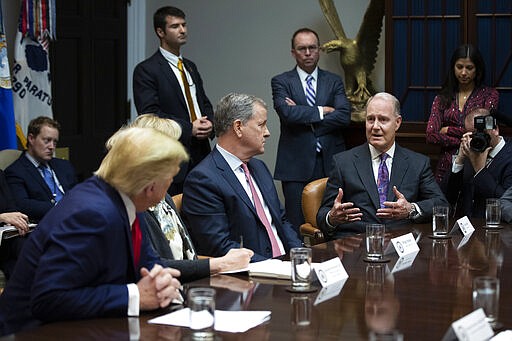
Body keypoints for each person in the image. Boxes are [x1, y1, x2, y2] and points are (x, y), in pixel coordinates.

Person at [0, 127, 185, 336]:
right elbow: (49, 299)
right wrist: (135, 296)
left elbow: (147, 262)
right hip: (32, 333)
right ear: (150, 186)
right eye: (171, 177)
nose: (171, 183)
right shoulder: (92, 213)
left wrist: (163, 283)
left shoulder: (129, 199)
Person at [127, 114, 253, 282]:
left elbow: (189, 257)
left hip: (187, 287)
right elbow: (151, 266)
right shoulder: (136, 204)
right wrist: (219, 264)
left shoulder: (164, 198)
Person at [182, 93, 303, 262]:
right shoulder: (203, 180)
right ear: (238, 127)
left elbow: (281, 220)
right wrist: (273, 267)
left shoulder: (259, 167)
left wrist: (300, 256)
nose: (267, 133)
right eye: (261, 125)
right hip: (251, 276)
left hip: (286, 266)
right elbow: (219, 247)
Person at [317, 92, 448, 239]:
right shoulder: (343, 162)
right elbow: (323, 215)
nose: (375, 126)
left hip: (401, 244)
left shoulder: (417, 163)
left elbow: (440, 204)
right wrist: (332, 217)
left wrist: (410, 209)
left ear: (397, 123)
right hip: (355, 245)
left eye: (383, 120)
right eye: (370, 119)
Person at [271, 27, 351, 228]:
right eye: (302, 48)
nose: (307, 53)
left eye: (312, 48)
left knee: (333, 222)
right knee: (298, 224)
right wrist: (323, 111)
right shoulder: (281, 81)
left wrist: (302, 116)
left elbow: (344, 116)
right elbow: (287, 114)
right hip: (295, 164)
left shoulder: (333, 81)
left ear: (319, 50)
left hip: (330, 161)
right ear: (293, 52)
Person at [133, 6, 214, 195]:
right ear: (160, 32)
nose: (183, 30)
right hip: (172, 154)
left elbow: (204, 103)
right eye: (175, 26)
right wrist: (189, 128)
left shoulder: (190, 66)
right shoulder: (147, 70)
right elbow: (150, 116)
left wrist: (210, 123)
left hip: (202, 153)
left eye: (184, 25)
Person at [426, 44, 499, 190]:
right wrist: (464, 138)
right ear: (453, 68)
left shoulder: (490, 95)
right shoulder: (442, 98)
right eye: (459, 67)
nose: (464, 73)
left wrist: (448, 130)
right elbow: (431, 135)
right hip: (446, 166)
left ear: (477, 69)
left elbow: (485, 133)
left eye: (469, 68)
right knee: (444, 207)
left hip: (476, 164)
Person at [4, 116, 78, 222]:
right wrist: (60, 207)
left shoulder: (64, 166)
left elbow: (78, 194)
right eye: (47, 141)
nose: (52, 146)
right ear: (31, 138)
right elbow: (22, 205)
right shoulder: (15, 171)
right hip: (47, 226)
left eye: (55, 142)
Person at [446, 108, 512, 218]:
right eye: (473, 135)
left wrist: (480, 170)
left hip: (499, 228)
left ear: (495, 129)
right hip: (469, 227)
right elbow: (449, 198)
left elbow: (506, 204)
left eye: (483, 133)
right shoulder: (471, 151)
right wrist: (459, 161)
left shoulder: (509, 156)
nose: (478, 138)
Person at [0, 170, 30, 279]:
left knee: (28, 247)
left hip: (5, 239)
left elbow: (11, 207)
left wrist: (17, 221)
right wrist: (1, 217)